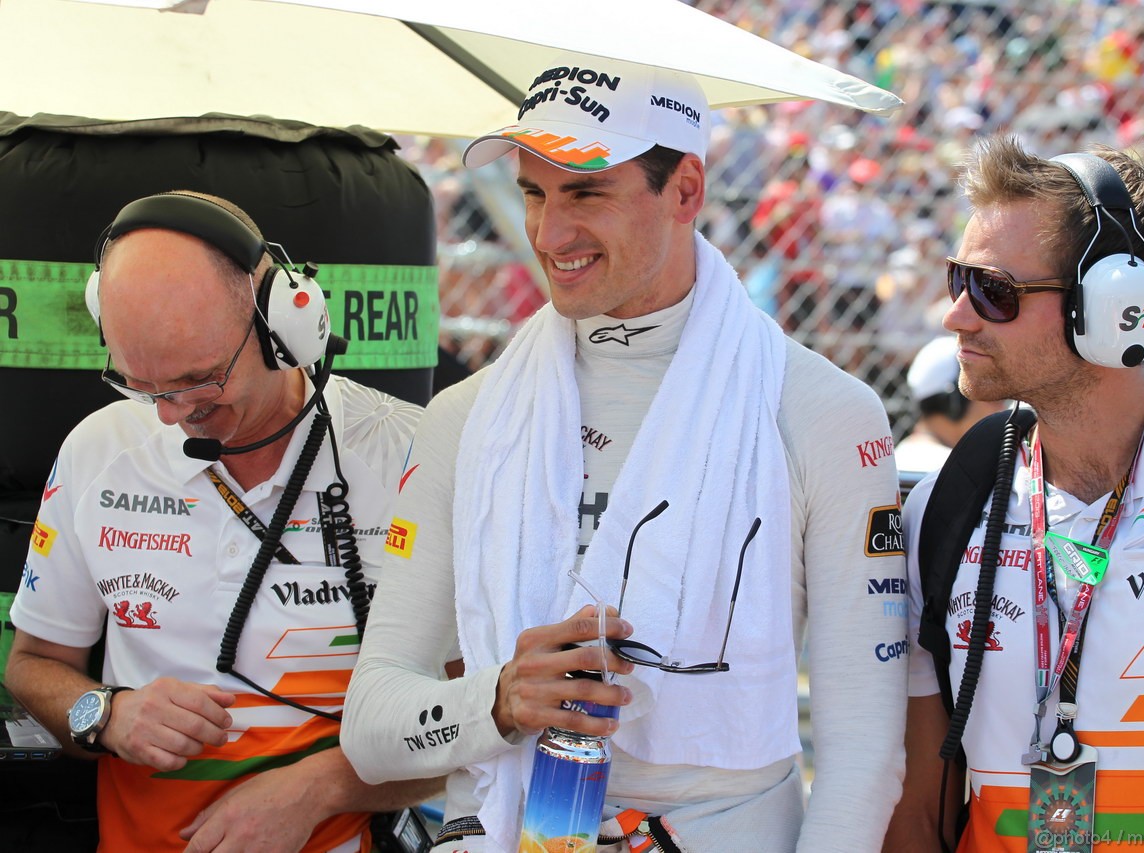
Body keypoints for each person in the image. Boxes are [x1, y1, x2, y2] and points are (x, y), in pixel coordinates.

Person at [341, 55, 908, 852]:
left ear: (686, 190)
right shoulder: (465, 418)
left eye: (586, 192)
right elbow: (369, 728)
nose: (547, 231)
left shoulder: (823, 413)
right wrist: (500, 701)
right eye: (532, 192)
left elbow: (864, 756)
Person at [6, 192, 441, 852]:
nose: (169, 415)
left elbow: (480, 711)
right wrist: (106, 713)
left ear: (284, 323)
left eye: (198, 380)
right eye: (140, 385)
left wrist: (321, 788)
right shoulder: (95, 452)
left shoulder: (410, 454)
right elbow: (34, 665)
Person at [887, 135, 1144, 851]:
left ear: (1116, 308)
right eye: (958, 280)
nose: (956, 316)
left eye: (994, 290)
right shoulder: (945, 507)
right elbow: (919, 804)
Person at [897, 333, 1009, 469]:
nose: (1002, 407)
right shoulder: (946, 468)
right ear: (953, 404)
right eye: (992, 396)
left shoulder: (906, 452)